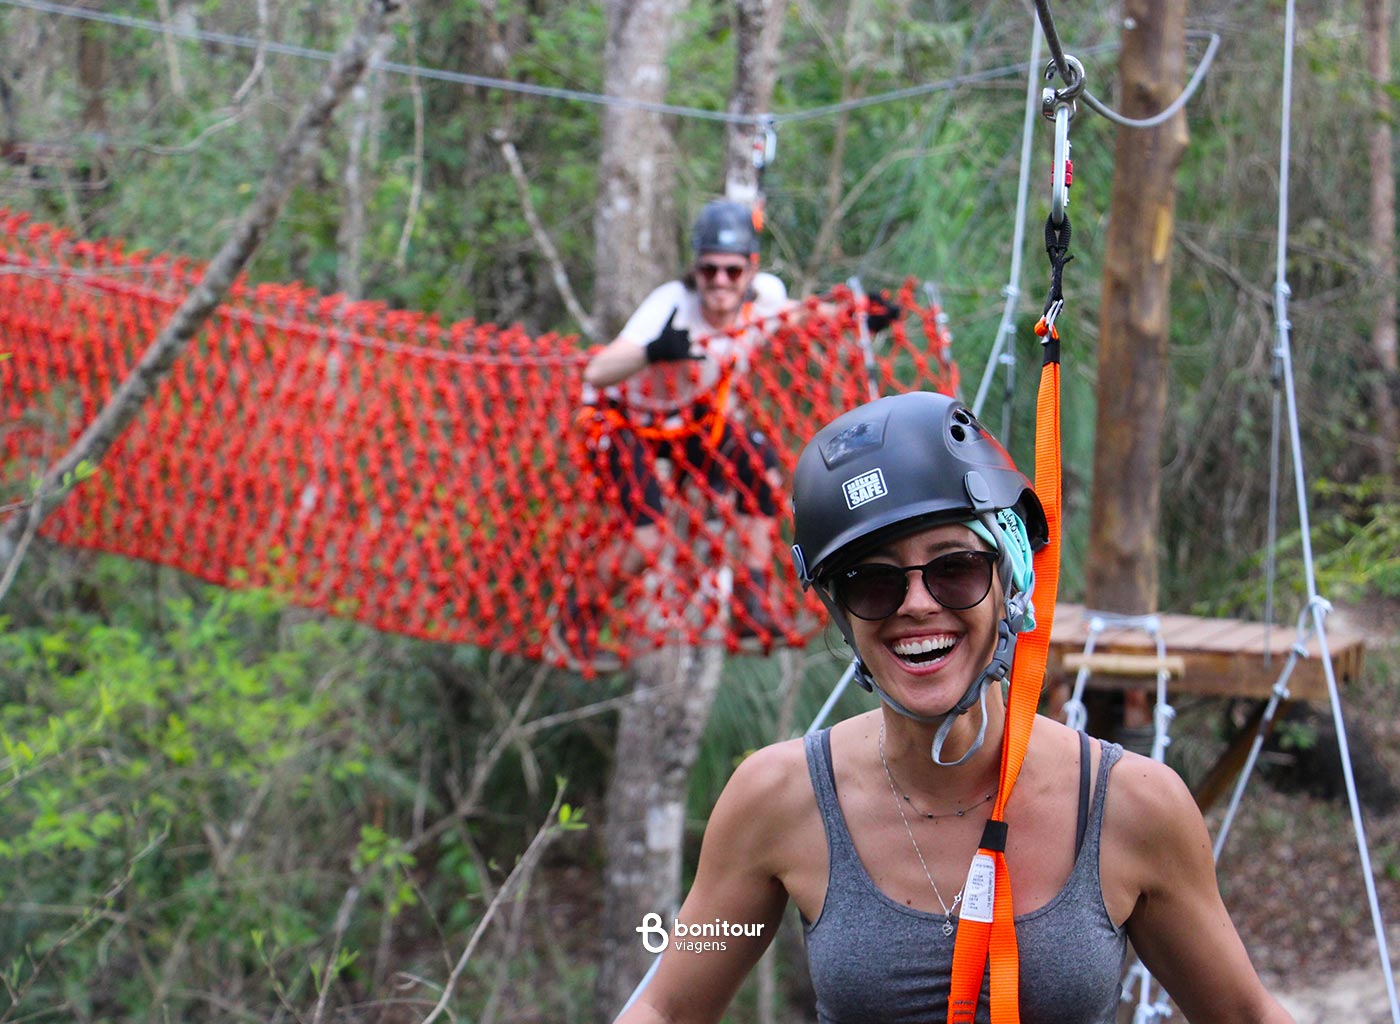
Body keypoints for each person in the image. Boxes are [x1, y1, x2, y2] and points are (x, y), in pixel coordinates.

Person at [614, 391, 1292, 1023]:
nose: (916, 604)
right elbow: (666, 1007)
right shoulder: (777, 800)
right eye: (872, 582)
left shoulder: (1132, 806)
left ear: (1010, 580)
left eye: (954, 569)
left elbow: (1247, 1016)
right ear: (840, 612)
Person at [555, 200, 803, 663]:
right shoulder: (671, 304)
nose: (721, 282)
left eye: (732, 270)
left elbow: (804, 314)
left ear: (750, 269)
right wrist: (652, 350)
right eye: (710, 270)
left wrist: (861, 314)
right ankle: (576, 617)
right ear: (696, 269)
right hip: (623, 420)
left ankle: (750, 604)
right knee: (644, 542)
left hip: (687, 424)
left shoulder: (762, 301)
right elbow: (597, 371)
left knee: (759, 462)